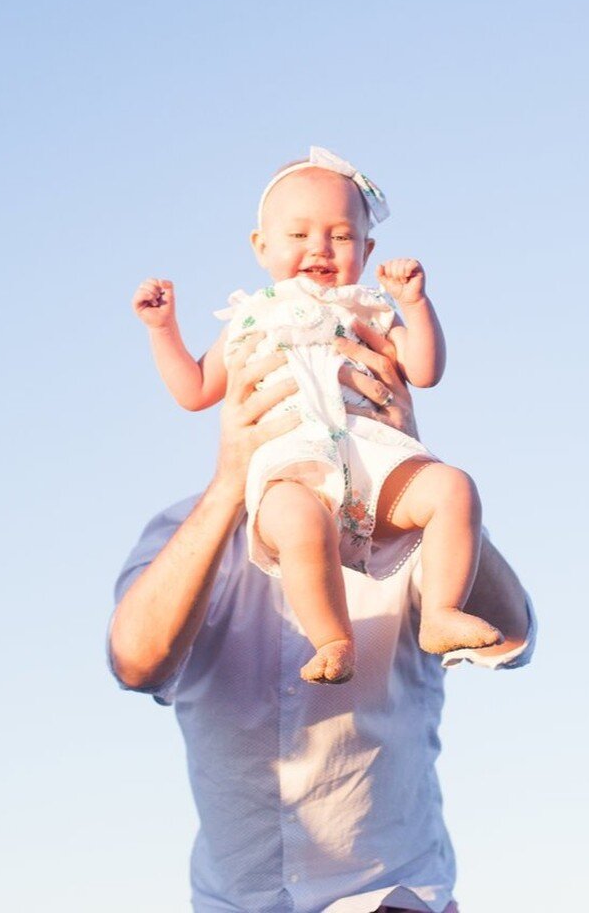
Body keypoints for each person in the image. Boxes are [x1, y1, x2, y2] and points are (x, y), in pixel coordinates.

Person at [108, 324, 537, 913]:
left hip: (392, 895)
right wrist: (233, 484)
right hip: (240, 901)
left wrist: (406, 458)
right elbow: (136, 661)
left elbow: (509, 638)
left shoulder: (405, 531)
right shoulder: (182, 530)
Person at [131, 148, 502, 685]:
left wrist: (415, 305)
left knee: (453, 488)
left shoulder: (367, 308)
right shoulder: (249, 316)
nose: (320, 248)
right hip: (292, 465)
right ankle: (332, 639)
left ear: (368, 247)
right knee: (299, 523)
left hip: (375, 459)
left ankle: (441, 612)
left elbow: (423, 370)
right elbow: (195, 390)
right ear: (261, 247)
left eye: (341, 236)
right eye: (298, 235)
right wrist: (162, 331)